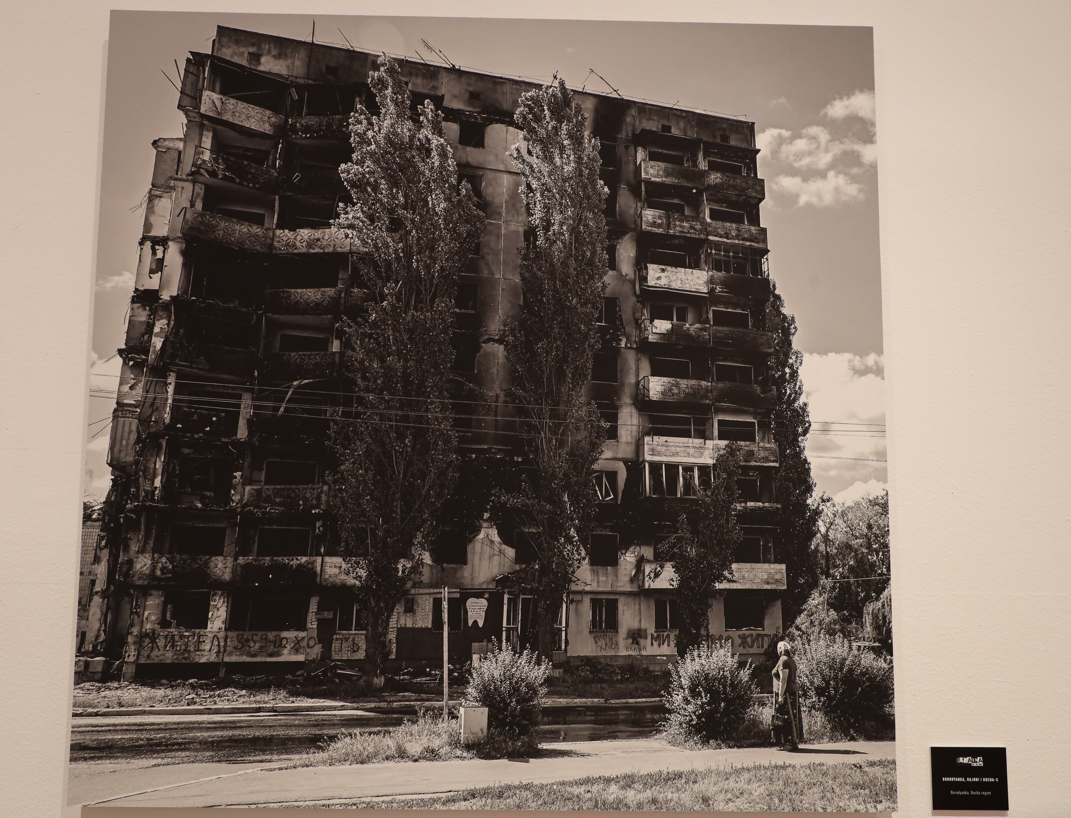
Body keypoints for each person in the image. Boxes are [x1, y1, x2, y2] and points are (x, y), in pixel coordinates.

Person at [771, 640, 803, 750]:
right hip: (793, 692)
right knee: (793, 717)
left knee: (784, 718)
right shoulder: (791, 661)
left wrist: (780, 696)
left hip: (786, 694)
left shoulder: (783, 660)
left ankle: (787, 743)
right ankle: (794, 742)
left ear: (780, 649)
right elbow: (795, 676)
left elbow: (783, 679)